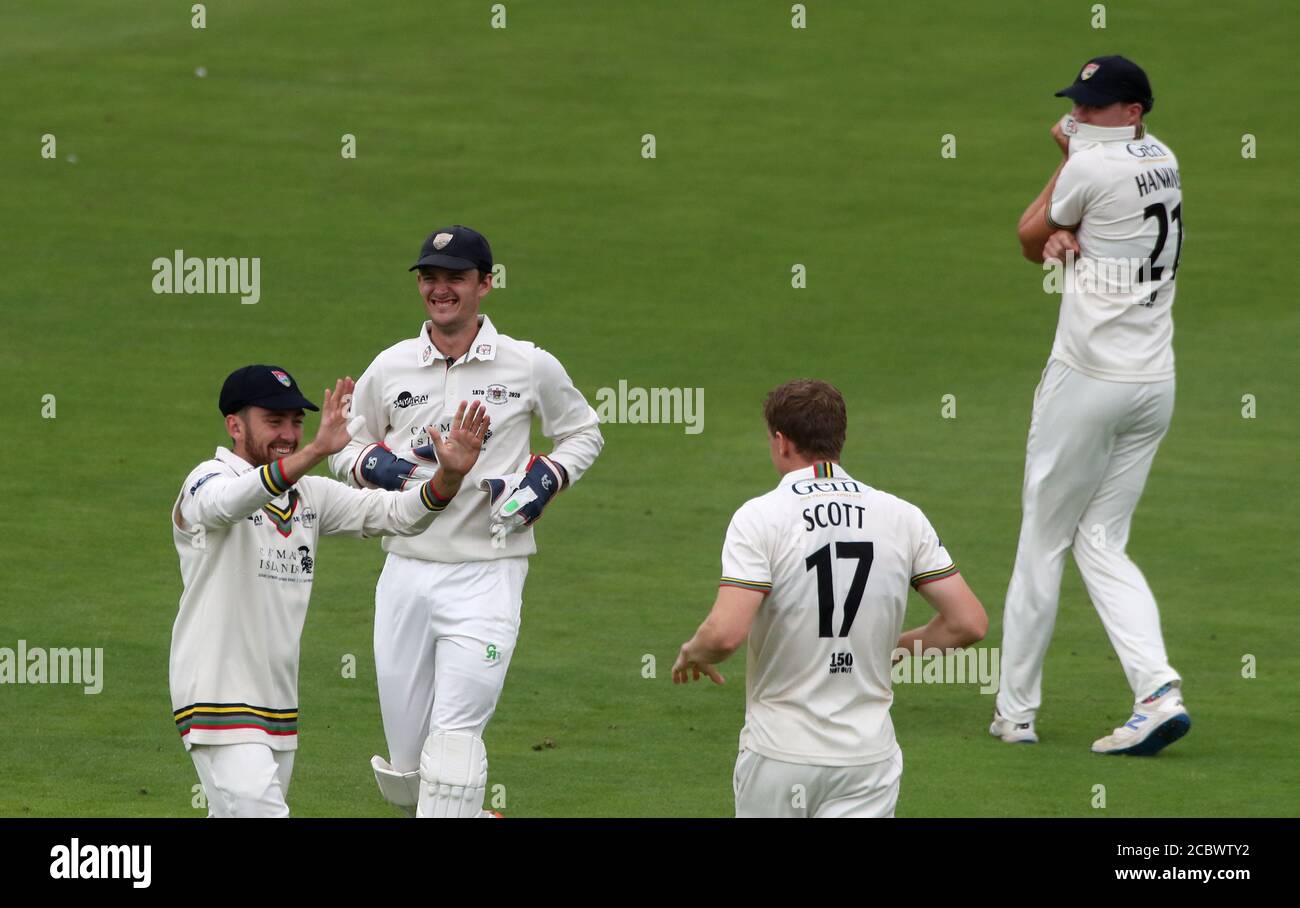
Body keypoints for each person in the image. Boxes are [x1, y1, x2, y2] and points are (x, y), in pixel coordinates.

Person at [329, 225, 603, 818]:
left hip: (487, 575)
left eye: (455, 277)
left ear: (485, 284)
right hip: (405, 571)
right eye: (430, 277)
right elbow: (343, 448)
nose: (440, 289)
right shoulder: (391, 365)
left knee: (452, 756)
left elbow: (583, 432)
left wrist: (547, 478)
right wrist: (396, 475)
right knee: (408, 772)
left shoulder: (528, 365)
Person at [170, 364, 489, 817]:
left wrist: (448, 479)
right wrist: (318, 450)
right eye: (274, 421)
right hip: (217, 696)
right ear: (234, 425)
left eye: (296, 422)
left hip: (277, 706)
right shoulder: (206, 480)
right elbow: (227, 505)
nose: (288, 433)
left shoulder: (309, 497)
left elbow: (395, 514)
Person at [672, 380, 986, 818]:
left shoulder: (760, 517)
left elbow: (724, 636)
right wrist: (893, 650)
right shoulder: (902, 516)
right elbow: (969, 622)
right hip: (867, 761)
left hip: (780, 756)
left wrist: (693, 651)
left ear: (781, 442)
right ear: (838, 439)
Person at [993, 55, 1190, 755]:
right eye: (1079, 102)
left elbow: (1025, 239)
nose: (1081, 112)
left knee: (1043, 539)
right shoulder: (1163, 157)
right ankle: (1157, 692)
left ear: (1133, 111)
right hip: (1153, 384)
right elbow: (1065, 235)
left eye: (1097, 105)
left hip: (1087, 380)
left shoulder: (1090, 166)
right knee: (1102, 541)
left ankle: (1015, 714)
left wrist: (1066, 168)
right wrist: (1072, 216)